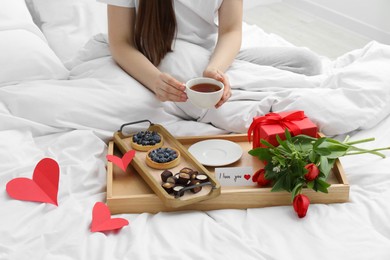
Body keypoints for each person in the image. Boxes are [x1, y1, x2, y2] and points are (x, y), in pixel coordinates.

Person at [98, 0, 321, 109]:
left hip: (206, 56)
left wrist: (215, 69)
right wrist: (155, 81)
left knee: (307, 63)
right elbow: (120, 42)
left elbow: (231, 30)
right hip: (160, 57)